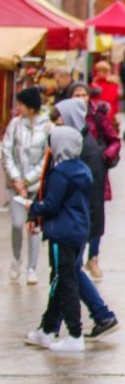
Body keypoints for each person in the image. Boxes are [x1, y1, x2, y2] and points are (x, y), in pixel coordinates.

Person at [48, 98, 122, 339]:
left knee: (68, 271)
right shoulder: (75, 143)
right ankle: (53, 324)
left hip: (76, 223)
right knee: (67, 272)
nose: (56, 123)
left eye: (60, 118)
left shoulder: (84, 148)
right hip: (76, 222)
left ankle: (97, 316)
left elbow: (90, 193)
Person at [23, 125, 92, 352]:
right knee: (61, 280)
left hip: (62, 233)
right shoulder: (83, 169)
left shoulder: (60, 172)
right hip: (78, 231)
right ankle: (47, 329)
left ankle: (75, 333)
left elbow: (52, 205)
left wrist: (32, 207)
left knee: (64, 282)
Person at [2, 87, 50, 284]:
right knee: (16, 223)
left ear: (31, 106)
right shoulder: (14, 125)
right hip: (15, 186)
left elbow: (46, 157)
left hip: (35, 187)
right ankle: (16, 258)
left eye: (21, 104)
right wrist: (16, 179)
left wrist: (28, 180)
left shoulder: (46, 126)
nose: (18, 108)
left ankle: (32, 267)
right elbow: (6, 152)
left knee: (34, 227)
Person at [80, 83, 121, 281]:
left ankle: (93, 257)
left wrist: (104, 157)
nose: (81, 98)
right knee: (78, 213)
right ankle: (79, 256)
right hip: (75, 173)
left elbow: (114, 140)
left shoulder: (97, 116)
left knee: (96, 214)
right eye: (76, 94)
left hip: (97, 173)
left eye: (83, 94)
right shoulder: (66, 118)